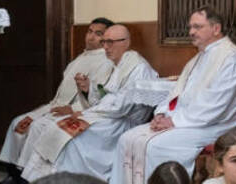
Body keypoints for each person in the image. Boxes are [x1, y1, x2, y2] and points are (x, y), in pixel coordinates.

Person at [113, 7, 236, 184]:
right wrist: (162, 114)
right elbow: (176, 94)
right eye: (191, 27)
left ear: (216, 29)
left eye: (198, 27)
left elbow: (215, 106)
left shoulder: (232, 59)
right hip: (189, 121)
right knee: (126, 138)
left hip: (214, 125)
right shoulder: (199, 57)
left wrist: (174, 121)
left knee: (155, 146)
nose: (191, 32)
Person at [20, 24, 158, 181]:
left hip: (121, 123)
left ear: (126, 42)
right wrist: (88, 89)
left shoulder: (138, 68)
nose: (105, 47)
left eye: (110, 42)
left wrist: (86, 112)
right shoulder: (117, 65)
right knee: (56, 129)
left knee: (70, 140)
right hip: (107, 117)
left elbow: (121, 106)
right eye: (104, 42)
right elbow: (106, 96)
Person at [0, 18, 115, 178]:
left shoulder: (106, 62)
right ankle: (12, 173)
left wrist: (73, 109)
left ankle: (28, 176)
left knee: (38, 126)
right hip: (56, 105)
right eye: (89, 31)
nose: (90, 37)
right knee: (18, 122)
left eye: (98, 33)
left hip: (78, 110)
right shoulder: (81, 57)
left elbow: (99, 96)